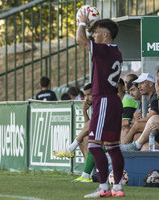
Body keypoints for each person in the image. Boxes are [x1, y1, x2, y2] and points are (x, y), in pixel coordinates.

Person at [77, 12, 125, 198]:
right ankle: (118, 187)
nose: (94, 36)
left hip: (103, 100)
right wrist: (91, 25)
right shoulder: (115, 50)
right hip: (112, 100)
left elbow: (80, 40)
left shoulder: (104, 50)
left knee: (95, 145)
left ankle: (104, 187)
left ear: (105, 35)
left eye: (96, 33)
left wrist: (82, 21)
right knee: (112, 147)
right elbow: (87, 39)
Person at [121, 68, 159, 151]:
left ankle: (122, 149)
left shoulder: (155, 96)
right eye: (138, 84)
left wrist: (132, 121)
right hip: (152, 130)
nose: (139, 86)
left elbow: (151, 117)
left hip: (155, 130)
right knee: (136, 135)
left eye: (142, 83)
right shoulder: (147, 100)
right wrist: (138, 118)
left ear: (151, 84)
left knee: (137, 125)